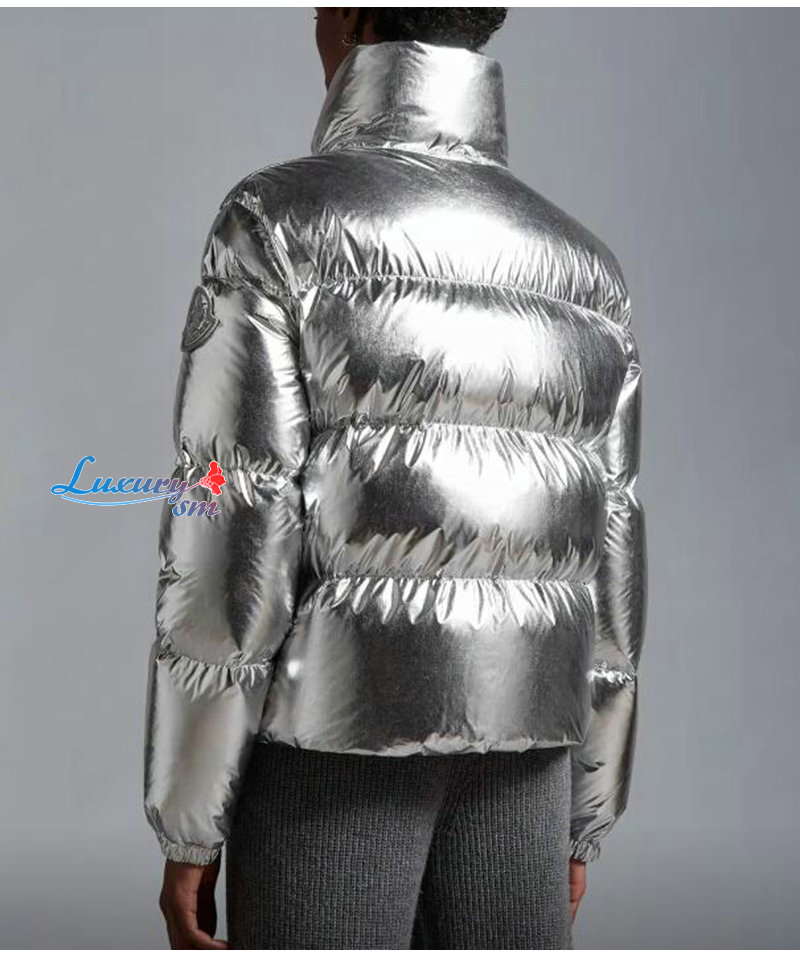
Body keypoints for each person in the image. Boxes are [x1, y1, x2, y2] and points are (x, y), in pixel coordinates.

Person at [144, 6, 647, 950]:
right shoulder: (587, 271)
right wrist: (585, 814)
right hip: (530, 759)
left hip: (330, 754)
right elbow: (612, 560)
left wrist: (189, 821)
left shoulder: (277, 222)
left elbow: (230, 529)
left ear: (351, 15)